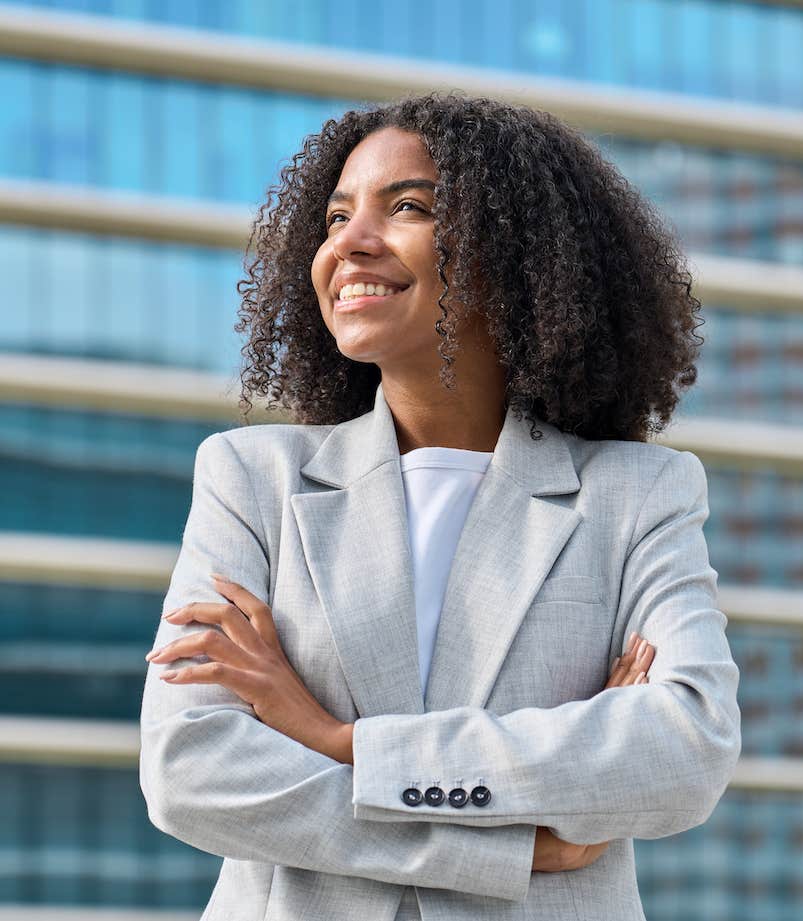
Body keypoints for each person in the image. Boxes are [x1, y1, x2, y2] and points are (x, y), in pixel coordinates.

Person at [139, 91, 741, 921]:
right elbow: (190, 769)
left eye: (409, 207)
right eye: (337, 215)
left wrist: (340, 741)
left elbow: (684, 748)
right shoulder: (252, 478)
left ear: (518, 252)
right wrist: (508, 847)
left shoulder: (639, 495)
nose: (349, 242)